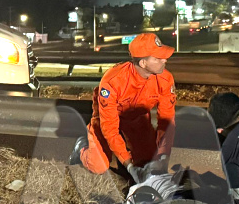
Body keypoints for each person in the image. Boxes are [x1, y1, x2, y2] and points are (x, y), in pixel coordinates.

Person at [71, 33, 177, 180]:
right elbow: (110, 128)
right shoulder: (113, 81)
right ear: (143, 63)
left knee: (149, 163)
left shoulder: (165, 79)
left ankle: (130, 150)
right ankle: (81, 147)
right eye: (158, 58)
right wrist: (129, 165)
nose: (165, 60)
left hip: (137, 119)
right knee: (99, 166)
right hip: (109, 118)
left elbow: (167, 121)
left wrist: (163, 156)